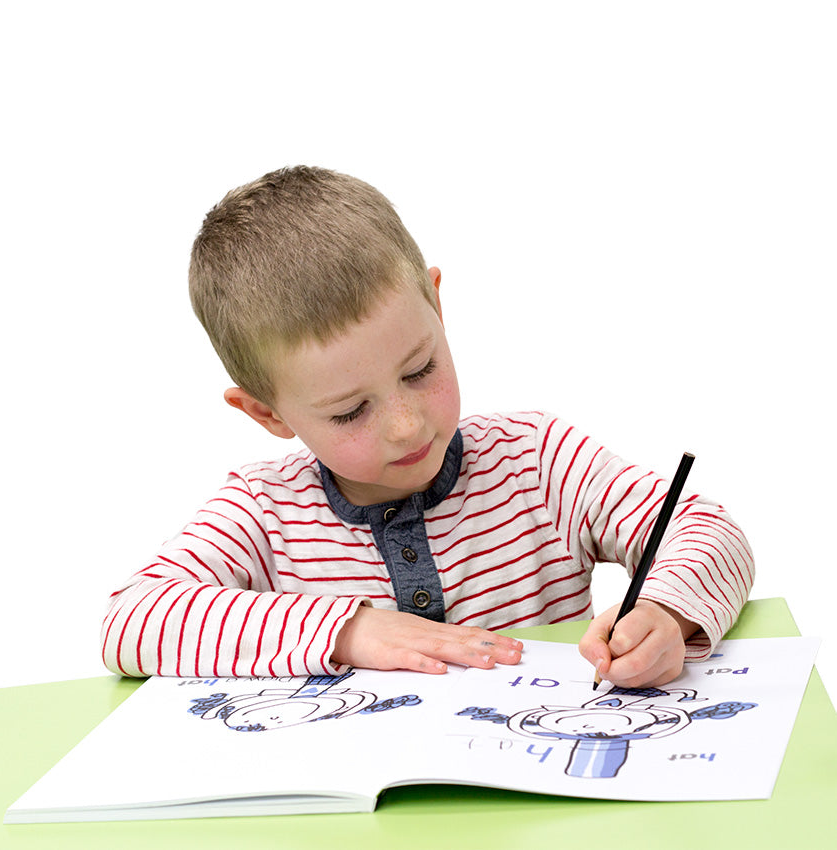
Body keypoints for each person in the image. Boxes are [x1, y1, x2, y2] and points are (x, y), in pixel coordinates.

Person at [101, 166, 753, 688]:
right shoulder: (263, 513)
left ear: (437, 307)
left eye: (419, 369)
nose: (407, 424)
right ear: (267, 413)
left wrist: (666, 613)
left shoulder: (539, 461)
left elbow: (709, 530)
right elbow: (130, 619)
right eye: (351, 411)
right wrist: (352, 631)